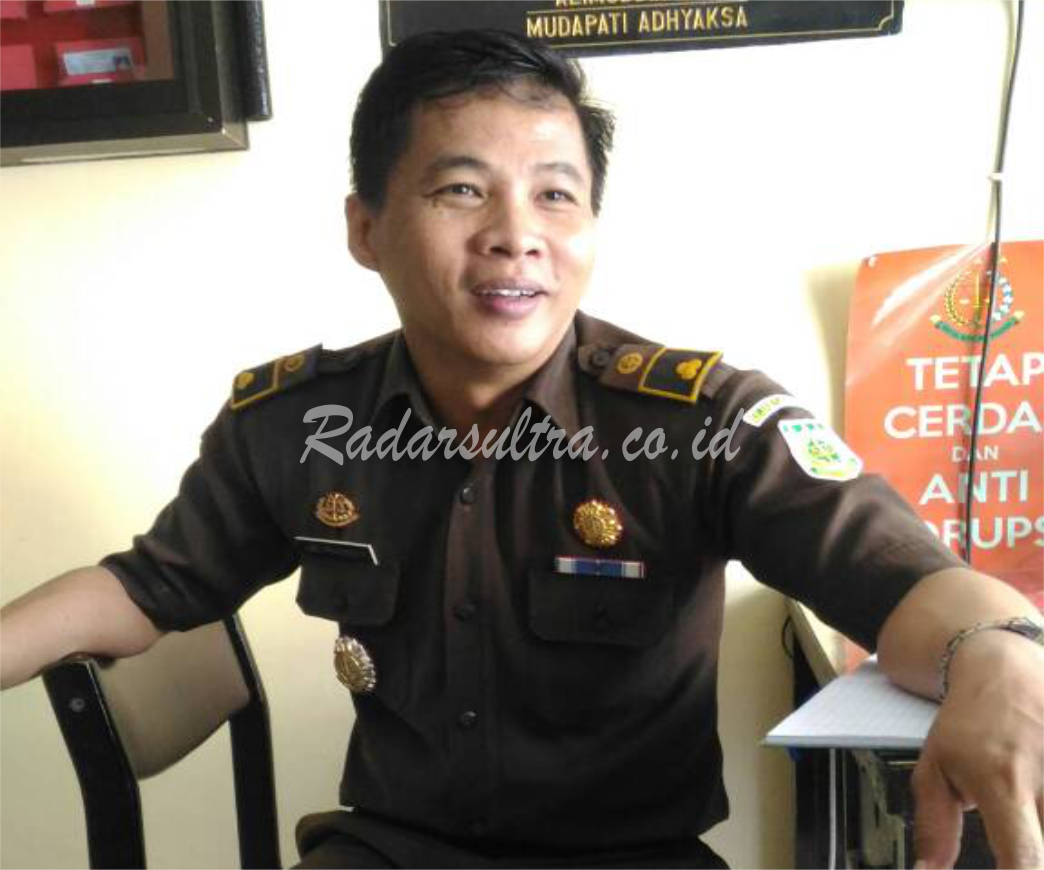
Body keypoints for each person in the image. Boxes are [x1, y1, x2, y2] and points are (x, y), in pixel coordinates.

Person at [2, 28, 1043, 870]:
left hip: (631, 859)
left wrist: (995, 652)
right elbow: (146, 589)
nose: (516, 233)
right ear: (365, 228)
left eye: (555, 194)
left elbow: (906, 583)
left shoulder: (702, 423)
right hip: (391, 852)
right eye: (461, 189)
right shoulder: (292, 426)